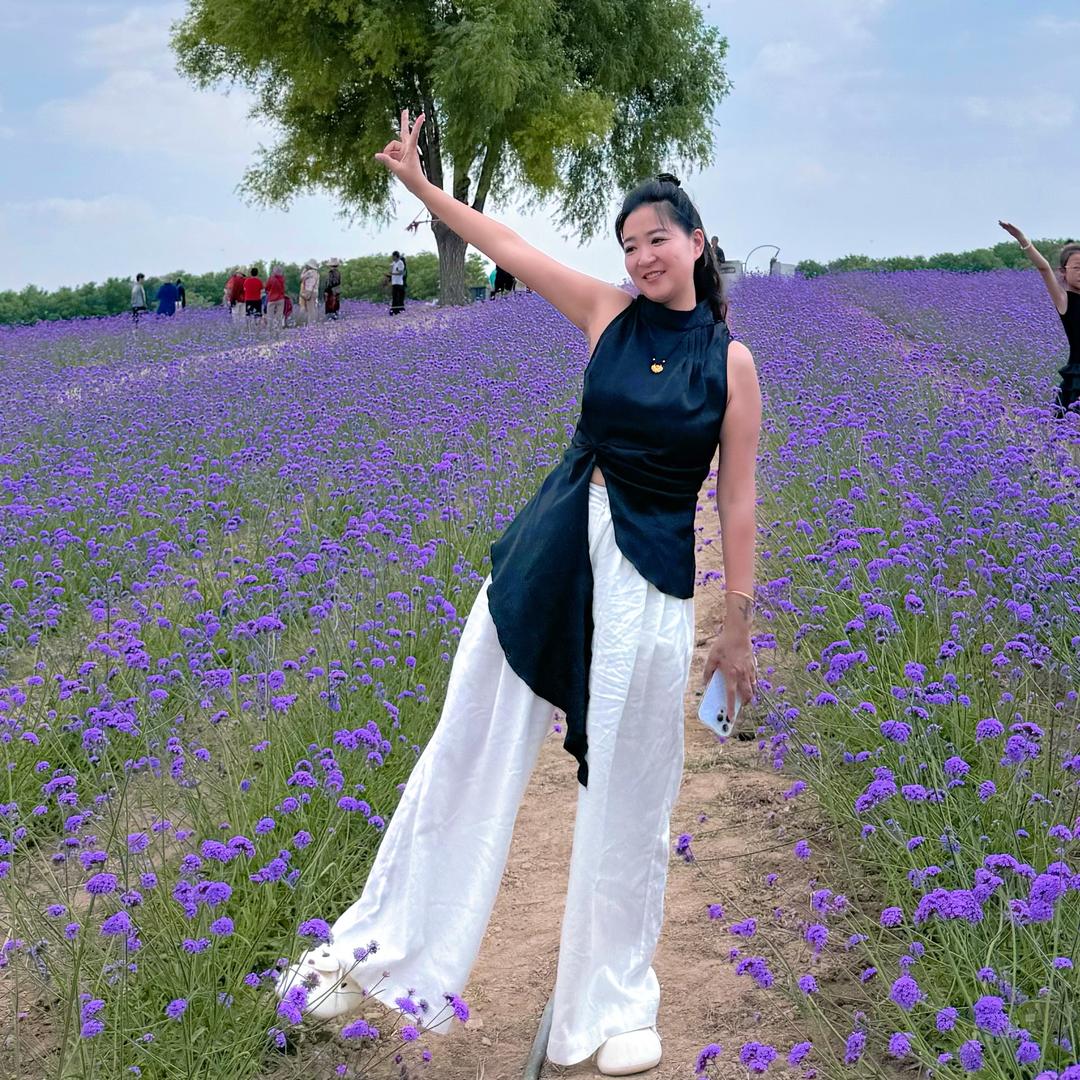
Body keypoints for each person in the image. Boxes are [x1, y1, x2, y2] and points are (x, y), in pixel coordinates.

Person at [276, 110, 761, 1077]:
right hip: (551, 552)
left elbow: (739, 506)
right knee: (469, 738)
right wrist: (418, 184)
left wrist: (735, 631)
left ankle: (615, 1001)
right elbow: (506, 242)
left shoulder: (733, 365)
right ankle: (377, 957)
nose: (641, 256)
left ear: (697, 241)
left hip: (652, 580)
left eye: (657, 238)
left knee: (631, 785)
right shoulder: (605, 315)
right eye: (628, 245)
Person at [999, 222, 1080, 416]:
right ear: (1063, 271)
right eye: (1077, 267)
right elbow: (1044, 269)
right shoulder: (1064, 300)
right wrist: (1023, 240)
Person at [299, 259, 320, 324]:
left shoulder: (309, 272)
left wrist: (304, 271)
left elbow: (302, 278)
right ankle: (314, 322)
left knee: (310, 309)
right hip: (315, 291)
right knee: (313, 308)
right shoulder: (317, 273)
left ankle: (311, 324)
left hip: (309, 291)